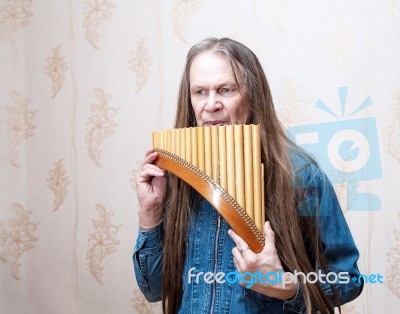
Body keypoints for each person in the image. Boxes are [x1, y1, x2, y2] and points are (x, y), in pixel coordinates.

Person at [133, 37, 363, 314]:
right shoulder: (176, 176)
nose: (211, 104)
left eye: (226, 90)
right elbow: (153, 289)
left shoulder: (301, 176)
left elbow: (348, 279)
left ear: (252, 95)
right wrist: (151, 213)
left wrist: (286, 286)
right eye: (200, 92)